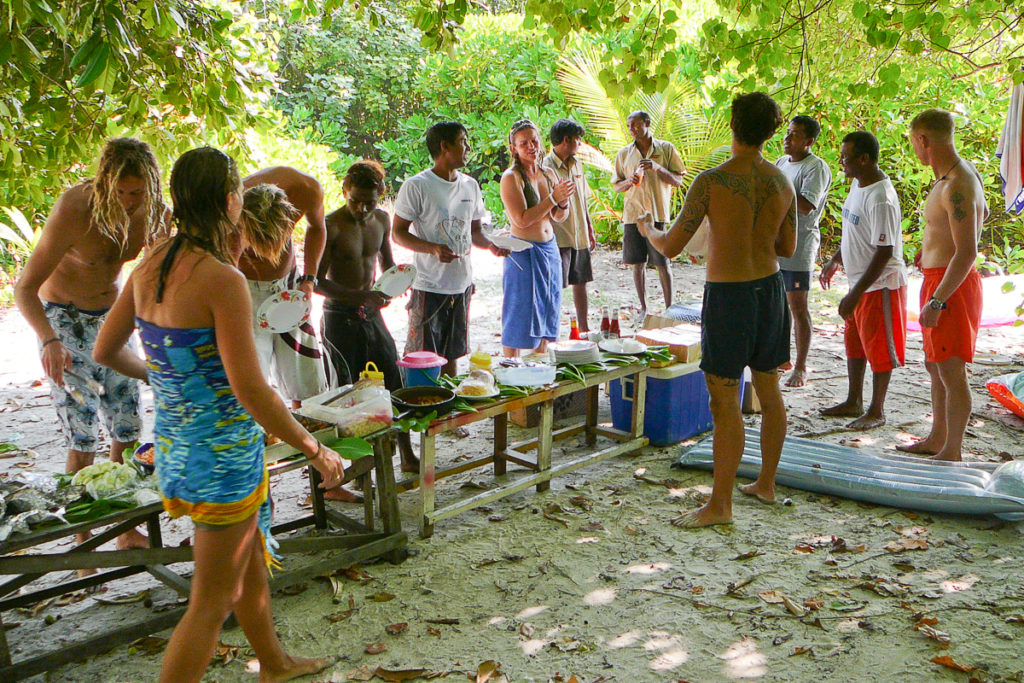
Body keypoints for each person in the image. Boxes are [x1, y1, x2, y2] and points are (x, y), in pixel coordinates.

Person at [93, 146, 343, 682]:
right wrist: (313, 447)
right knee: (212, 602)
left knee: (249, 566)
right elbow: (252, 390)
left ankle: (273, 663)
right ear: (232, 200)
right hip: (220, 457)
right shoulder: (220, 278)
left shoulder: (152, 261)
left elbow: (106, 350)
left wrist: (169, 378)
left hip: (178, 445)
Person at [638, 92, 795, 527]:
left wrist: (648, 231)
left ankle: (720, 505)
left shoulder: (711, 181)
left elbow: (671, 245)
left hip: (730, 297)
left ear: (732, 124)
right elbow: (788, 247)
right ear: (771, 131)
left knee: (724, 402)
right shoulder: (782, 183)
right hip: (770, 291)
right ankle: (765, 483)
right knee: (768, 389)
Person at [14, 137, 169, 551]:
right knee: (82, 437)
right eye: (118, 191)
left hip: (114, 320)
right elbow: (25, 288)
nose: (127, 201)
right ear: (103, 181)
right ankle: (81, 540)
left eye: (136, 192)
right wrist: (48, 340)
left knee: (128, 427)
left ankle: (126, 527)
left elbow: (159, 277)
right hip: (63, 322)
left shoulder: (155, 211)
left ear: (151, 185)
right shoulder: (74, 208)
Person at [317, 159, 419, 484]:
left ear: (381, 195)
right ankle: (359, 469)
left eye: (369, 202)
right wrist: (359, 297)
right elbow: (316, 281)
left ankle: (405, 453)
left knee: (392, 379)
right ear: (344, 191)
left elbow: (387, 264)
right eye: (355, 200)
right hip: (339, 317)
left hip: (371, 313)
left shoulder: (382, 220)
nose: (361, 208)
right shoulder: (330, 225)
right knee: (352, 392)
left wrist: (395, 286)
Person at [897, 109, 987, 461]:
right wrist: (929, 251)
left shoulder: (959, 183)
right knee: (934, 364)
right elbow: (952, 233)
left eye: (913, 143)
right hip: (938, 278)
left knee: (951, 369)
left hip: (953, 287)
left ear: (923, 140)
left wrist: (937, 301)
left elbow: (967, 252)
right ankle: (937, 437)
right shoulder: (947, 178)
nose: (914, 151)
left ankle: (953, 450)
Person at [392, 121, 508, 377]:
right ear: (444, 146)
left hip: (462, 284)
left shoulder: (470, 185)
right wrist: (432, 248)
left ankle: (450, 408)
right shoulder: (417, 186)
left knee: (452, 355)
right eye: (463, 142)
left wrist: (492, 246)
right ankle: (424, 406)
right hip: (429, 286)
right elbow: (397, 233)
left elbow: (475, 232)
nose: (468, 147)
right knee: (422, 357)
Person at [819, 131, 907, 430]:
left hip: (880, 284)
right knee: (855, 344)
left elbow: (884, 251)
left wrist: (855, 293)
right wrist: (835, 259)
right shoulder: (859, 184)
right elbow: (853, 232)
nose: (841, 162)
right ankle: (853, 399)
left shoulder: (881, 197)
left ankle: (876, 410)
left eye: (845, 158)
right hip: (859, 282)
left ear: (864, 159)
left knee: (880, 349)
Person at [239, 167, 329, 407]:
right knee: (251, 376)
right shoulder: (226, 210)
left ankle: (308, 434)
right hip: (244, 289)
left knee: (306, 375)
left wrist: (309, 279)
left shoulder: (307, 190)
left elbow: (318, 228)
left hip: (289, 285)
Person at [501, 119, 575, 356]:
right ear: (514, 148)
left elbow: (559, 216)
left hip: (549, 248)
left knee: (548, 307)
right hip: (523, 251)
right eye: (524, 144)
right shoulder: (511, 177)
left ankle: (540, 360)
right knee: (519, 310)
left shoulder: (547, 171)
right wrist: (553, 199)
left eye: (534, 141)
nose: (531, 147)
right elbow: (521, 220)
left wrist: (563, 201)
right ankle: (511, 364)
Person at [776, 116, 833, 387]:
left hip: (799, 246)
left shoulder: (816, 167)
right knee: (778, 306)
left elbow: (805, 205)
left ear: (809, 141)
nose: (787, 139)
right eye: (787, 133)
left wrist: (774, 192)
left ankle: (800, 367)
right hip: (775, 244)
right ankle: (781, 359)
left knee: (798, 306)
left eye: (795, 134)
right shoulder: (781, 163)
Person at [612, 110, 686, 316]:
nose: (632, 130)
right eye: (629, 126)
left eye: (636, 125)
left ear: (647, 123)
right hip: (633, 215)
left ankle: (669, 308)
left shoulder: (666, 149)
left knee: (662, 262)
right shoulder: (624, 154)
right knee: (637, 263)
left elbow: (678, 180)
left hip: (657, 215)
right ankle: (643, 308)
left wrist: (658, 168)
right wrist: (629, 182)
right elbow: (617, 185)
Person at [544, 118, 597, 330]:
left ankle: (584, 328)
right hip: (559, 236)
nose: (580, 144)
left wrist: (589, 229)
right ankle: (550, 330)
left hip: (580, 233)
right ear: (566, 140)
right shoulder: (546, 168)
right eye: (577, 139)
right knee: (554, 286)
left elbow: (582, 200)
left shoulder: (577, 165)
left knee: (581, 282)